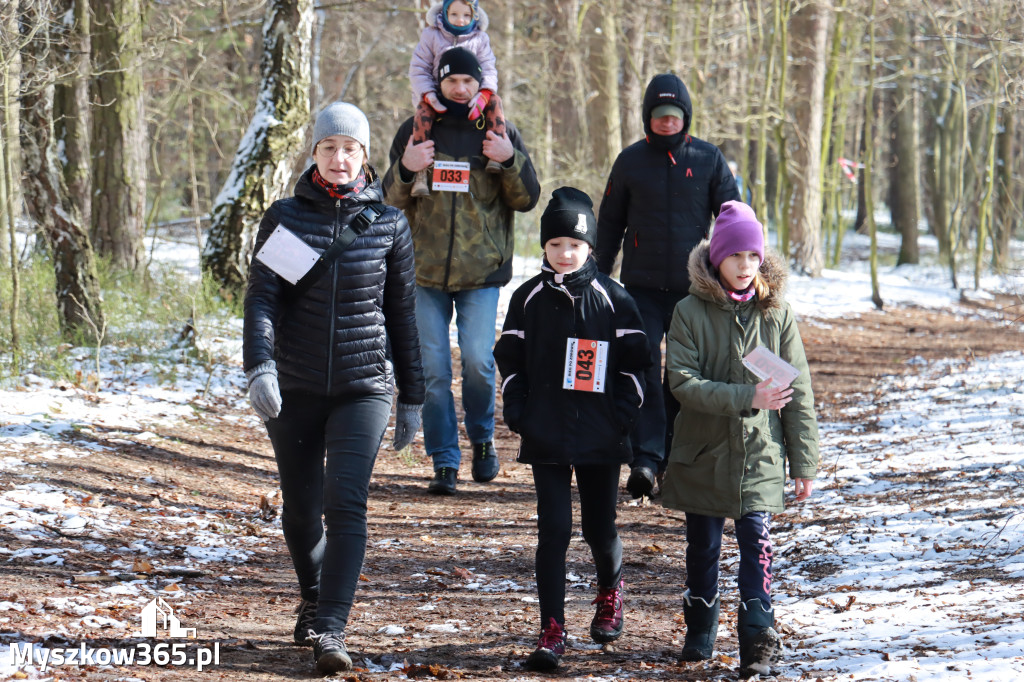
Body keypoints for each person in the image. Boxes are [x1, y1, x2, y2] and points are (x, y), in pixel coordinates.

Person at [243, 102, 424, 675]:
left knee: (345, 503)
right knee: (301, 509)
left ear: (365, 157)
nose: (339, 158)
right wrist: (260, 367)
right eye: (329, 148)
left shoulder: (390, 224)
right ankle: (314, 591)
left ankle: (330, 627)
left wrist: (413, 395)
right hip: (293, 386)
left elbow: (402, 316)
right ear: (314, 154)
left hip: (362, 386)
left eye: (350, 149)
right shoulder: (287, 219)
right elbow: (263, 300)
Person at [661, 201, 819, 678]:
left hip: (760, 454)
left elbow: (799, 391)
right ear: (717, 260)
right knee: (704, 546)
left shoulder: (777, 315)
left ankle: (757, 638)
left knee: (757, 542)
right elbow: (682, 383)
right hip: (703, 452)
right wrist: (748, 395)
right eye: (735, 257)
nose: (745, 266)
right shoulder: (688, 311)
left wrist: (804, 461)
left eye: (753, 256)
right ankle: (700, 629)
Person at [493, 188, 649, 671]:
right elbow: (511, 360)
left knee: (599, 530)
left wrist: (621, 414)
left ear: (591, 248)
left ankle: (609, 590)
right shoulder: (527, 298)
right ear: (543, 246)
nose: (565, 253)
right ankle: (552, 629)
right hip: (547, 435)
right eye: (556, 243)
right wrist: (519, 409)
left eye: (575, 244)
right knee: (554, 531)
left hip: (601, 436)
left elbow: (637, 365)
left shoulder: (614, 298)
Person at [384, 46, 540, 496]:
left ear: (479, 84)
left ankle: (483, 440)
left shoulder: (499, 129)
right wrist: (404, 168)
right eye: (451, 81)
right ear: (439, 83)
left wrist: (509, 159)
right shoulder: (414, 132)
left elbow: (527, 198)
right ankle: (444, 461)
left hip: (480, 273)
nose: (460, 88)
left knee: (476, 361)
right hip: (423, 273)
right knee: (432, 370)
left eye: (467, 81)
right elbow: (385, 202)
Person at [596, 73, 740, 500]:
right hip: (639, 288)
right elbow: (609, 225)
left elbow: (734, 220)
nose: (666, 122)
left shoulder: (709, 159)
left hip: (694, 292)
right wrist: (598, 279)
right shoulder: (629, 162)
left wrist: (745, 272)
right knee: (641, 368)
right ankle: (644, 458)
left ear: (686, 118)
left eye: (674, 115)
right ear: (648, 118)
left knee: (681, 374)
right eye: (659, 116)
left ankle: (676, 460)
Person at [408, 0, 507, 196]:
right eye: (454, 14)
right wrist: (428, 94)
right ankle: (420, 173)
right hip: (436, 96)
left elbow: (488, 69)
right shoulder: (431, 35)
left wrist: (484, 95)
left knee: (496, 102)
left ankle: (497, 148)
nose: (460, 20)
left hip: (474, 98)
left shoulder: (480, 38)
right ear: (443, 13)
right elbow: (419, 69)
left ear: (475, 16)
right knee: (422, 115)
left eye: (466, 15)